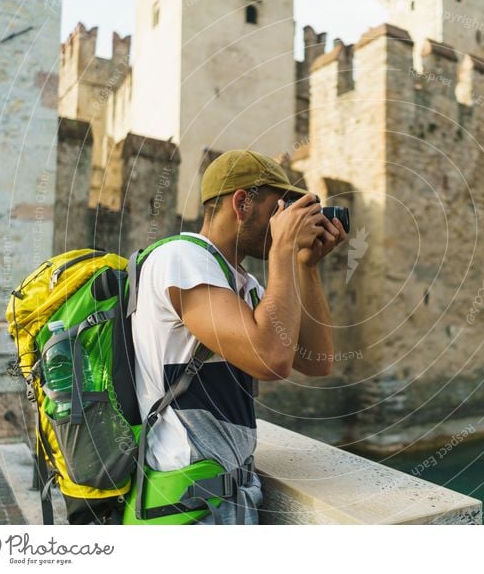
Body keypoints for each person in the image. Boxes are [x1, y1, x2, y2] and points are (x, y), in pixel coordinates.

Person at [131, 149, 347, 524]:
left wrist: (304, 266)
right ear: (242, 203)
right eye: (278, 208)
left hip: (227, 497)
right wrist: (282, 250)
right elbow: (271, 359)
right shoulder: (180, 258)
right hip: (187, 506)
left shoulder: (241, 284)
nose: (285, 220)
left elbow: (316, 361)